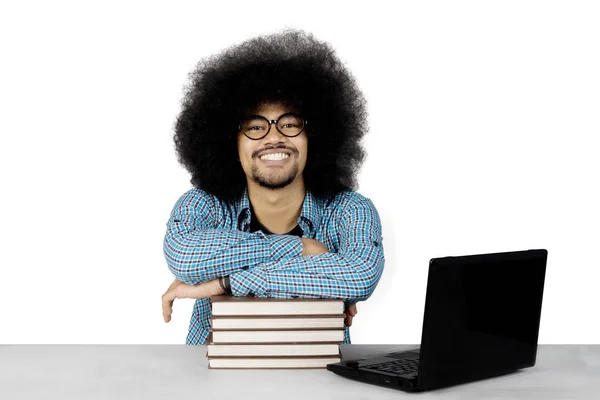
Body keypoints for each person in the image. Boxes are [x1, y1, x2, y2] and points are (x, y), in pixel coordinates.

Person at [161, 30, 385, 345]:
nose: (273, 137)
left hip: (320, 382)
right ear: (230, 144)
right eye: (255, 127)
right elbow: (185, 257)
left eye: (290, 124)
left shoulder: (349, 209)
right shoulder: (203, 205)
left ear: (315, 138)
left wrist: (224, 281)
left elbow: (359, 275)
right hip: (212, 381)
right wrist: (303, 250)